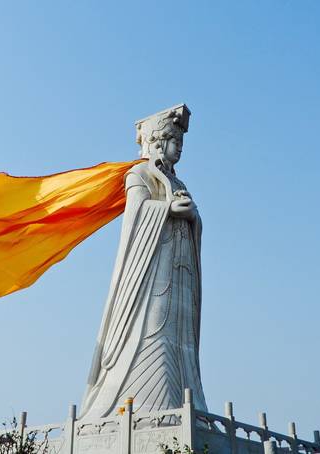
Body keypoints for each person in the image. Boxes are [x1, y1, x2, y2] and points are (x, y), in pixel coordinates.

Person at [80, 105, 207, 419]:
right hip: (151, 272)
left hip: (180, 268)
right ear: (158, 141)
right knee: (153, 326)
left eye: (181, 142)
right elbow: (135, 217)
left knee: (180, 339)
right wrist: (167, 210)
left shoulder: (179, 184)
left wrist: (192, 217)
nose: (179, 148)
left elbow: (193, 217)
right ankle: (145, 400)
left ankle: (187, 401)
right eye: (174, 141)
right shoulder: (139, 174)